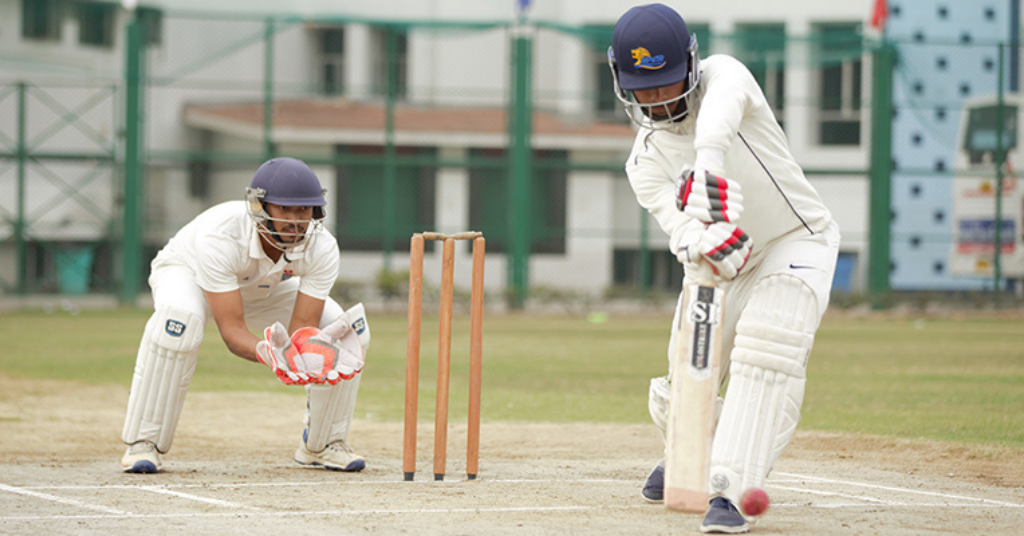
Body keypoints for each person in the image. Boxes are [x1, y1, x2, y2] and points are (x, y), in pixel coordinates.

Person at [609, 4, 840, 534]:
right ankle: (686, 454)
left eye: (666, 85)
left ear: (690, 66)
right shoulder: (643, 162)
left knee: (767, 345)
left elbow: (719, 117)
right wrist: (702, 245)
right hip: (724, 262)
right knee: (690, 366)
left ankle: (730, 489)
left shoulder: (727, 74)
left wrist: (707, 165)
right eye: (643, 91)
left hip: (795, 239)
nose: (658, 101)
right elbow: (678, 227)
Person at [120, 157, 371, 474]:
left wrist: (304, 354)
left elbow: (303, 329)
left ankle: (321, 444)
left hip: (263, 287)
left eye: (304, 210)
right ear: (258, 207)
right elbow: (231, 329)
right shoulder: (221, 237)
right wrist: (272, 355)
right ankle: (144, 442)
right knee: (180, 325)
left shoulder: (321, 246)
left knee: (348, 332)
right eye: (285, 209)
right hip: (188, 274)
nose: (295, 221)